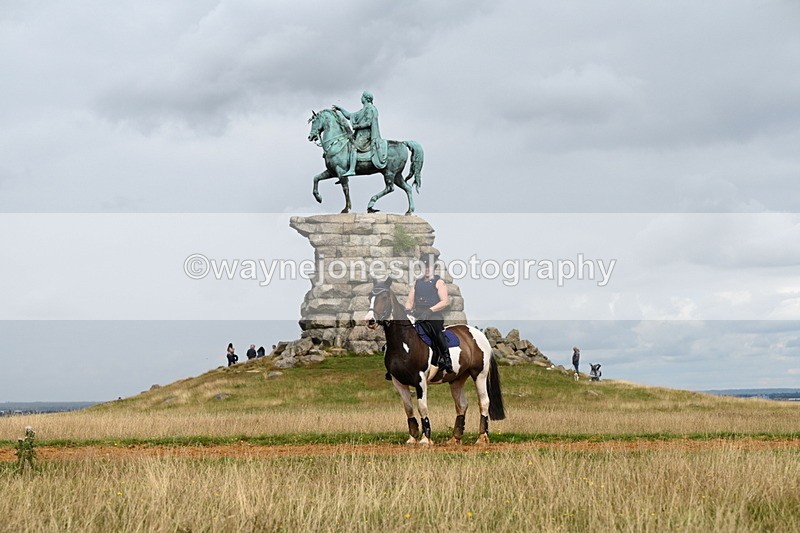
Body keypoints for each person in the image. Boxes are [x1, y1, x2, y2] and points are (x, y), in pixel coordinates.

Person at [405, 253, 453, 375]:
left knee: (436, 330)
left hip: (434, 314)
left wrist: (430, 311)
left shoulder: (439, 282)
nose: (426, 269)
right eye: (424, 267)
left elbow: (444, 301)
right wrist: (407, 311)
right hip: (418, 314)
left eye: (429, 267)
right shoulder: (417, 283)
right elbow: (410, 302)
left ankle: (446, 358)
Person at [332, 91, 387, 179]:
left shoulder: (370, 109)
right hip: (360, 134)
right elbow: (350, 115)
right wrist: (340, 109)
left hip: (366, 135)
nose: (361, 98)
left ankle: (352, 169)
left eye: (362, 96)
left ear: (365, 98)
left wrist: (357, 126)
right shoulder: (363, 110)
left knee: (353, 147)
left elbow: (368, 123)